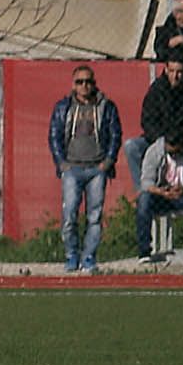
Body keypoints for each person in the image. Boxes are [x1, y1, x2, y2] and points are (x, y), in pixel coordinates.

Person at [130, 58, 183, 261]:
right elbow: (146, 180)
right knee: (144, 197)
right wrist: (158, 190)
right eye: (171, 71)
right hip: (161, 192)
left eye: (180, 71)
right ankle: (144, 251)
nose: (175, 76)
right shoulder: (156, 150)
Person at [49, 66, 122, 274]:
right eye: (80, 82)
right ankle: (71, 254)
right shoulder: (64, 107)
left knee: (94, 215)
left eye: (88, 82)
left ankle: (89, 256)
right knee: (70, 213)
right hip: (72, 168)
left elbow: (115, 134)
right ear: (73, 85)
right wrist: (61, 163)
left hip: (96, 168)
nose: (84, 86)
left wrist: (107, 162)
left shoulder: (105, 106)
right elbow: (54, 135)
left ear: (94, 83)